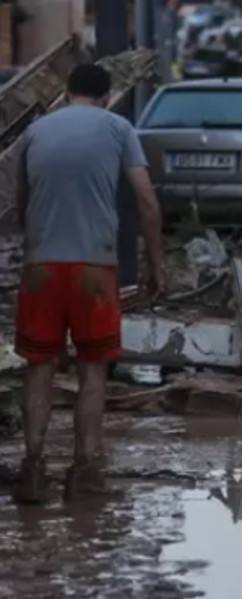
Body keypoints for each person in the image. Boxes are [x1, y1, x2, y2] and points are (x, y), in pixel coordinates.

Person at [12, 63, 164, 504]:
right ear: (106, 95)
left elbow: (21, 206)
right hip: (95, 271)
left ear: (66, 90)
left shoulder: (37, 132)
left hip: (41, 267)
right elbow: (147, 203)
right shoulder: (118, 128)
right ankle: (85, 475)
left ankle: (34, 471)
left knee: (39, 368)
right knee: (92, 371)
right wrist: (155, 265)